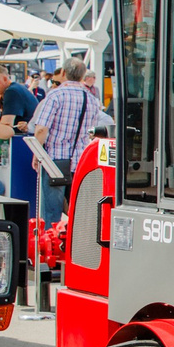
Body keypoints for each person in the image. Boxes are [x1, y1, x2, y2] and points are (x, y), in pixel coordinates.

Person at [30, 52, 111, 225]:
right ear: (82, 76)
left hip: (55, 160)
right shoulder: (91, 100)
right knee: (78, 210)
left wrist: (37, 154)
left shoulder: (55, 95)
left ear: (64, 73)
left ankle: (52, 245)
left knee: (51, 213)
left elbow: (41, 129)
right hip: (80, 161)